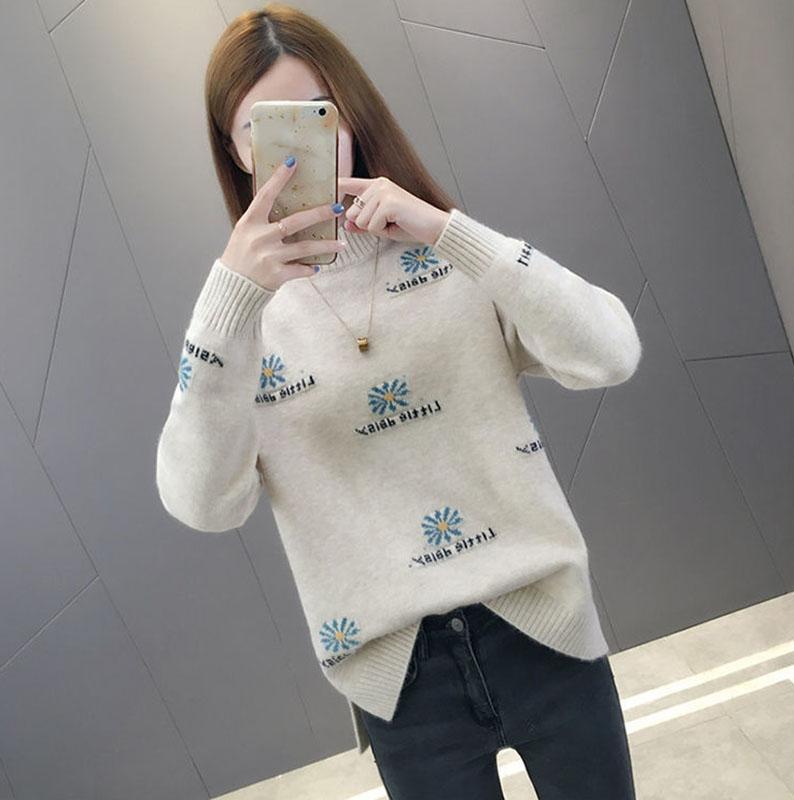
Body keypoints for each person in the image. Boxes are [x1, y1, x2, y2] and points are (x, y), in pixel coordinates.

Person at [156, 4, 641, 798]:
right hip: (398, 682)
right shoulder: (240, 325)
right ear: (236, 149)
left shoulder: (448, 254)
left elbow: (611, 352)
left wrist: (449, 231)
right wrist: (229, 302)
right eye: (261, 128)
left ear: (351, 113)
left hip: (546, 630)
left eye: (316, 113)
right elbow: (203, 503)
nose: (293, 146)